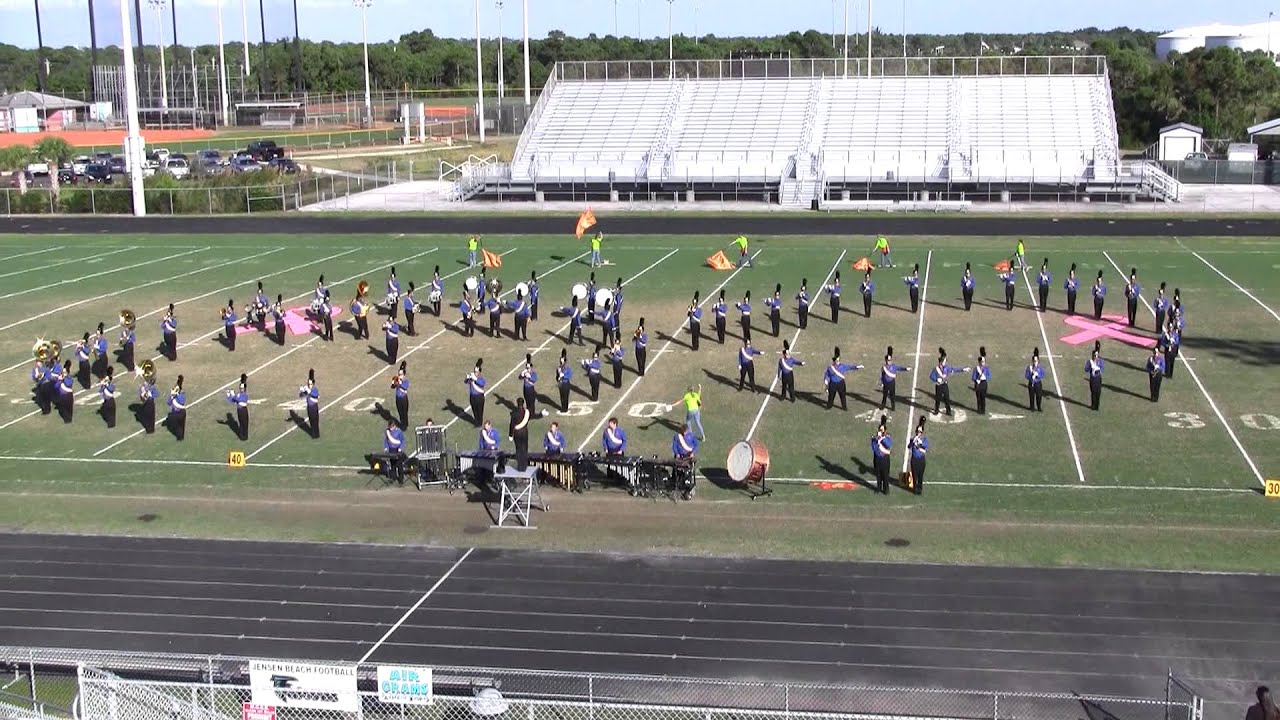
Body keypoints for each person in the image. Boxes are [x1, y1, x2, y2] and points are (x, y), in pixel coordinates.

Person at [929, 348, 968, 416]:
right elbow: (931, 376)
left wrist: (963, 369)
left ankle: (948, 411)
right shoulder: (936, 369)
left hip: (945, 385)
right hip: (939, 386)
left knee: (947, 398)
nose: (945, 362)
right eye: (944, 361)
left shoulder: (947, 367)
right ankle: (936, 410)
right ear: (941, 362)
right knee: (938, 399)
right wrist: (936, 379)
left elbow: (954, 369)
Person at [508, 397, 531, 471]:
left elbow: (512, 424)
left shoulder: (514, 413)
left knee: (518, 449)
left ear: (517, 403)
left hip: (517, 433)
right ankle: (524, 466)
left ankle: (520, 466)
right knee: (525, 449)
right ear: (523, 403)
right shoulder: (526, 412)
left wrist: (510, 435)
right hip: (524, 432)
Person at [225, 374, 249, 441]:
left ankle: (245, 436)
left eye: (242, 388)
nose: (241, 389)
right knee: (241, 423)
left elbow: (236, 399)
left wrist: (232, 394)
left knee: (245, 423)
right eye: (241, 388)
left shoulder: (244, 395)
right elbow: (232, 400)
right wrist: (228, 395)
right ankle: (242, 436)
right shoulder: (239, 395)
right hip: (240, 410)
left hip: (243, 410)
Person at [871, 416, 892, 494]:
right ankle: (878, 488)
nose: (880, 431)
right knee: (878, 475)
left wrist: (881, 439)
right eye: (880, 430)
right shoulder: (875, 439)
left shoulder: (887, 438)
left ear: (885, 431)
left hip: (885, 459)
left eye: (882, 430)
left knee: (885, 475)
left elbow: (888, 444)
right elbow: (873, 448)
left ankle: (886, 489)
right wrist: (877, 440)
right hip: (877, 458)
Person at [908, 416, 928, 496]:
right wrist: (913, 441)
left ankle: (920, 488)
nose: (918, 433)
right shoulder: (913, 439)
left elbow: (924, 450)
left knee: (920, 476)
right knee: (914, 475)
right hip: (914, 460)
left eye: (920, 432)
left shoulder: (924, 440)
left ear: (922, 432)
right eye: (917, 431)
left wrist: (919, 444)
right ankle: (915, 489)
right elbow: (909, 446)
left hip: (921, 460)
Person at [383, 419, 406, 484]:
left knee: (399, 465)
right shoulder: (388, 432)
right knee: (392, 464)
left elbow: (402, 441)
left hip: (397, 449)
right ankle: (393, 477)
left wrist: (400, 448)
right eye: (390, 427)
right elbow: (386, 441)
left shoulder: (399, 432)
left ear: (394, 426)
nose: (391, 429)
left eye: (392, 427)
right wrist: (386, 447)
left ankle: (401, 479)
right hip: (391, 449)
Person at [465, 359, 486, 425]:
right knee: (474, 410)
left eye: (476, 371)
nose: (475, 372)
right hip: (472, 397)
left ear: (479, 372)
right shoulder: (472, 377)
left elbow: (482, 384)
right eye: (474, 371)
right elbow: (466, 382)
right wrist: (467, 378)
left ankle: (480, 423)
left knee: (479, 411)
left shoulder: (481, 379)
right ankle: (477, 421)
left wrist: (475, 379)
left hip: (479, 397)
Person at [1085, 341, 1104, 411]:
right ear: (1092, 355)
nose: (1095, 356)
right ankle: (1093, 405)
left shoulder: (1100, 361)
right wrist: (1091, 367)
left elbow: (1102, 368)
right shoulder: (1089, 362)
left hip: (1098, 378)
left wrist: (1098, 369)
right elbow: (1086, 369)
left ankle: (1097, 406)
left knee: (1098, 392)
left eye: (1096, 355)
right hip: (1093, 378)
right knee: (1093, 392)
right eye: (1094, 355)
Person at [300, 369, 320, 438]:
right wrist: (302, 391)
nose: (309, 385)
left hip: (314, 407)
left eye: (311, 384)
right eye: (308, 384)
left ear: (313, 384)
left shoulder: (315, 389)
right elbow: (301, 396)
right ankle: (313, 434)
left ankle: (316, 435)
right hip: (309, 408)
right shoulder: (307, 389)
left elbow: (315, 396)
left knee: (315, 422)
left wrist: (308, 392)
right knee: (311, 421)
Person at [167, 375, 187, 441]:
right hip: (175, 413)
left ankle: (180, 437)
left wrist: (177, 395)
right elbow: (168, 403)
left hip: (181, 412)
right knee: (177, 426)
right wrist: (171, 395)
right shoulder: (173, 395)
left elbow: (182, 401)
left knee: (181, 426)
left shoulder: (181, 394)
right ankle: (180, 437)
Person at [971, 348, 991, 415]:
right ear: (979, 362)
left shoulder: (986, 368)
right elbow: (973, 377)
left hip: (984, 383)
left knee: (983, 398)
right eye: (982, 362)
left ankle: (983, 410)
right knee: (978, 398)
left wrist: (984, 377)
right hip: (978, 384)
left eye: (984, 361)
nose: (983, 363)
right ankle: (979, 410)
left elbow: (989, 376)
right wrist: (976, 380)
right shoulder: (976, 368)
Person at [392, 361, 410, 429]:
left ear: (404, 375)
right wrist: (394, 383)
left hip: (403, 399)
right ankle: (402, 423)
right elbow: (392, 386)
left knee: (404, 412)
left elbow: (405, 388)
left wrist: (399, 383)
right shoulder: (397, 379)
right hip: (398, 398)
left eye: (401, 374)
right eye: (399, 374)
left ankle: (405, 424)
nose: (399, 376)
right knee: (400, 412)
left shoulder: (406, 381)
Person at [56, 360, 74, 424]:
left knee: (69, 408)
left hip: (68, 395)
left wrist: (64, 378)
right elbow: (56, 386)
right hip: (62, 396)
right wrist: (59, 380)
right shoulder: (60, 378)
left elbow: (68, 384)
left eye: (65, 372)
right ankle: (66, 419)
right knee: (63, 408)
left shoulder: (69, 378)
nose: (63, 373)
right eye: (63, 372)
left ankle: (69, 419)